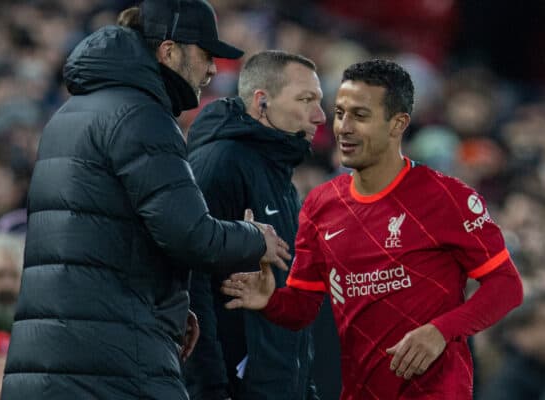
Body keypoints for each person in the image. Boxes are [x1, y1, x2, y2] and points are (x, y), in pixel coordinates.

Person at [1, 1, 291, 399]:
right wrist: (255, 236)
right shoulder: (141, 115)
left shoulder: (73, 112)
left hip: (55, 361)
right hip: (111, 368)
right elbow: (189, 234)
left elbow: (102, 239)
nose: (212, 69)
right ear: (169, 51)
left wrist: (167, 307)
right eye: (206, 55)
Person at [221, 59, 524, 400]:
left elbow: (506, 286)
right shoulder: (321, 204)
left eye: (360, 116)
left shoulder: (448, 197)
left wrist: (441, 331)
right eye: (340, 113)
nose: (343, 128)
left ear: (398, 124)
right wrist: (270, 300)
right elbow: (304, 307)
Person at [184, 50, 326, 400]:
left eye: (319, 101)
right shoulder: (221, 163)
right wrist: (211, 390)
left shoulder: (279, 177)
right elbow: (190, 284)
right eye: (305, 100)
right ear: (262, 101)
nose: (320, 115)